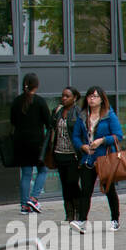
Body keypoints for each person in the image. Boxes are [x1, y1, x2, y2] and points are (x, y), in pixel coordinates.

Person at [71, 86, 123, 233]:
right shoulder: (82, 116)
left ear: (101, 99)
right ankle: (82, 221)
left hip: (104, 159)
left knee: (109, 190)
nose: (91, 99)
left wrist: (101, 140)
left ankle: (115, 219)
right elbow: (75, 136)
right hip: (88, 159)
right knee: (85, 190)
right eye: (89, 96)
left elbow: (118, 135)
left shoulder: (108, 115)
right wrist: (82, 147)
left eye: (95, 96)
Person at [10, 72, 52, 214]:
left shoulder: (16, 101)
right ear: (37, 85)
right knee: (43, 170)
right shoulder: (40, 101)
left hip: (21, 143)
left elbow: (13, 122)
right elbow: (49, 122)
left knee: (26, 174)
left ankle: (23, 206)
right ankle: (33, 199)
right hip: (37, 144)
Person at [50, 87, 81, 223]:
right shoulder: (58, 111)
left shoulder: (79, 112)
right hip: (59, 153)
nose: (64, 98)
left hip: (73, 155)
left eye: (67, 96)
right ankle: (69, 214)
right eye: (62, 96)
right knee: (64, 185)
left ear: (74, 98)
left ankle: (79, 212)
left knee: (73, 183)